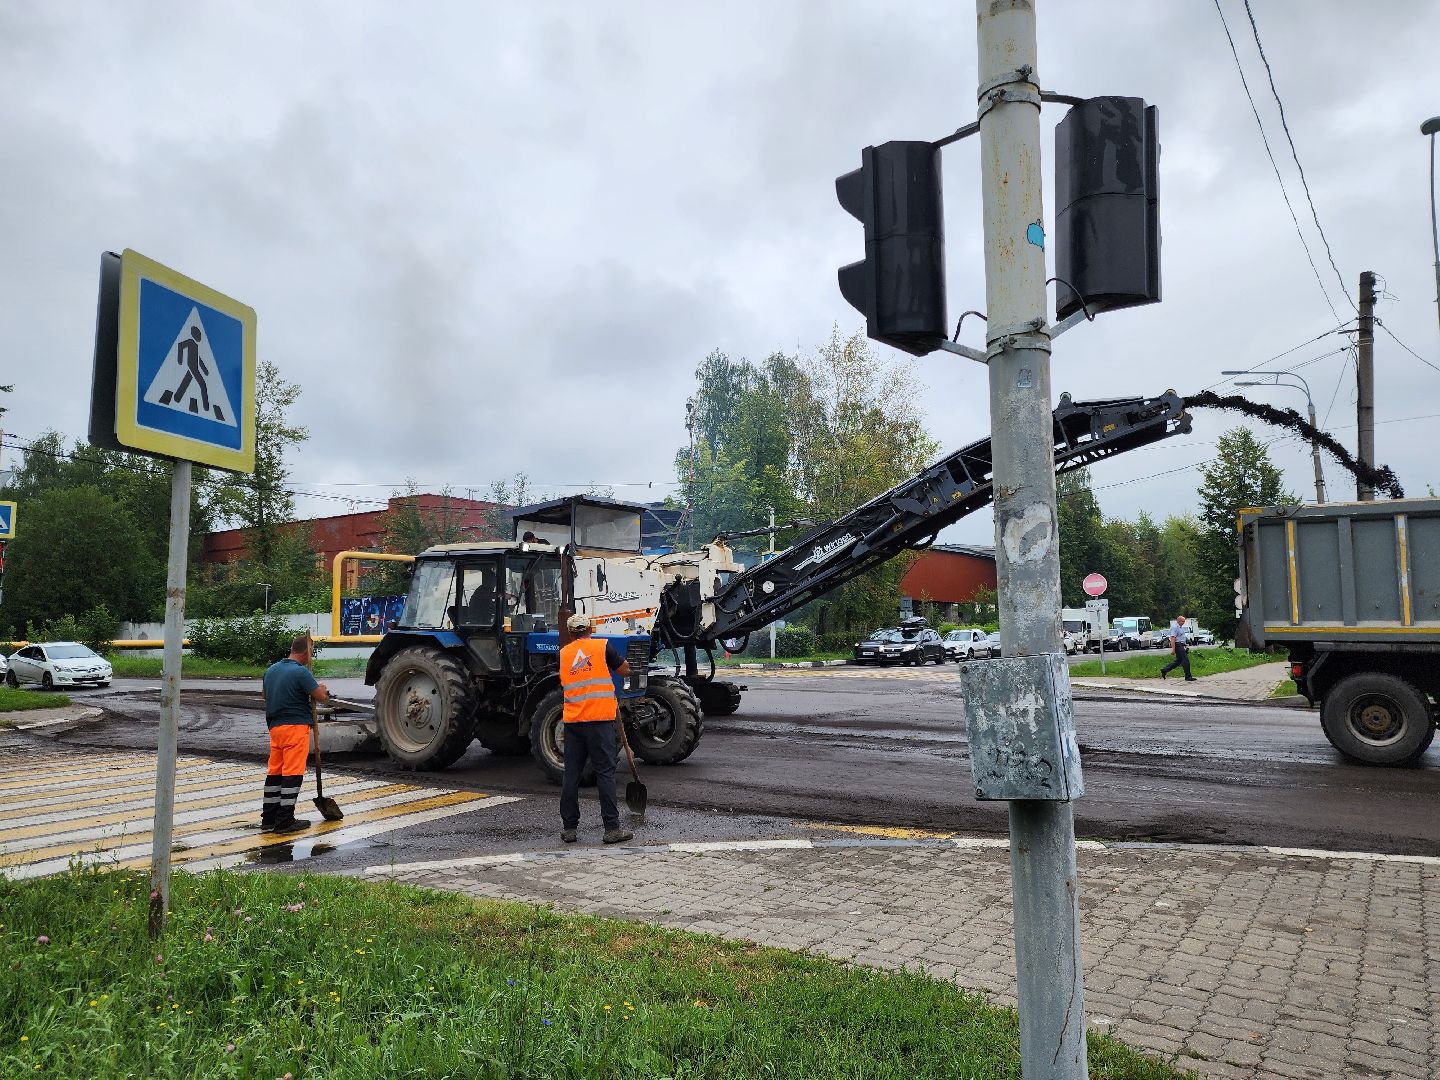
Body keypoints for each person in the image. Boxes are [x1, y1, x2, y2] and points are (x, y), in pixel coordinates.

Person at [557, 613, 633, 845]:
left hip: (573, 723)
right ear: (589, 629)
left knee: (571, 774)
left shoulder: (563, 654)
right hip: (599, 721)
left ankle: (569, 829)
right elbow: (624, 670)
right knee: (605, 773)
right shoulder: (602, 646)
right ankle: (612, 829)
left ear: (571, 633)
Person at [260, 633, 330, 832]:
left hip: (275, 728)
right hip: (295, 728)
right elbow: (321, 696)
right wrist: (322, 688)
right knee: (293, 772)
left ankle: (269, 818)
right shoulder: (301, 672)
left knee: (275, 772)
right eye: (312, 651)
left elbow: (265, 694)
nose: (311, 656)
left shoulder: (271, 670)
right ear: (307, 651)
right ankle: (285, 819)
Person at [1160, 614, 1197, 682]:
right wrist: (1173, 649)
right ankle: (1188, 676)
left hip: (1181, 645)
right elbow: (1173, 638)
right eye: (1183, 621)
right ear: (1178, 621)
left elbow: (1180, 637)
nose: (1184, 622)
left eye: (1184, 621)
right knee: (1185, 660)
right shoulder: (1175, 627)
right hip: (1178, 645)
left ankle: (1165, 670)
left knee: (1178, 661)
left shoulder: (1180, 627)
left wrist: (1185, 644)